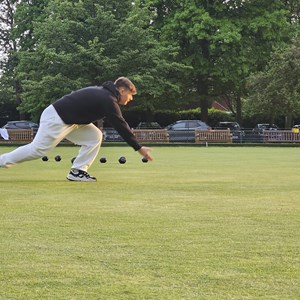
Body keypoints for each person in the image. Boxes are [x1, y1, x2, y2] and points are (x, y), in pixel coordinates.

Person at [0, 77, 153, 181]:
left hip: (70, 121)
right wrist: (139, 148)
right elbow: (121, 125)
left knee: (94, 136)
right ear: (122, 90)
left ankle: (78, 171)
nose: (130, 99)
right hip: (57, 118)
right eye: (130, 95)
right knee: (38, 150)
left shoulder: (105, 95)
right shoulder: (108, 99)